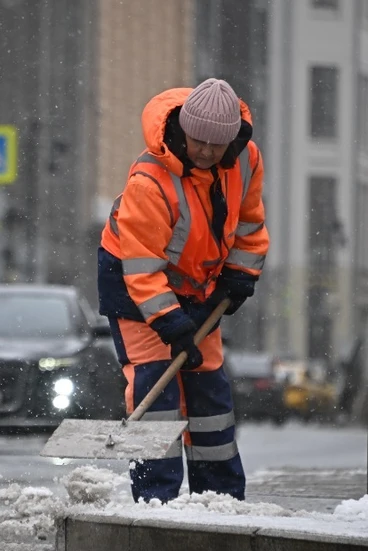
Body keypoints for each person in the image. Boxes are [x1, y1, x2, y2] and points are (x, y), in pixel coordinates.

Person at [97, 78, 269, 503]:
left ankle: (220, 499)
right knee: (157, 388)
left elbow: (250, 222)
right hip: (134, 283)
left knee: (209, 391)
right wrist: (171, 324)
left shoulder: (245, 159)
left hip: (199, 286)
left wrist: (240, 274)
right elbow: (142, 265)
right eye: (198, 141)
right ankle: (157, 501)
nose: (207, 152)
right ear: (184, 130)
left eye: (217, 144)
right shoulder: (150, 180)